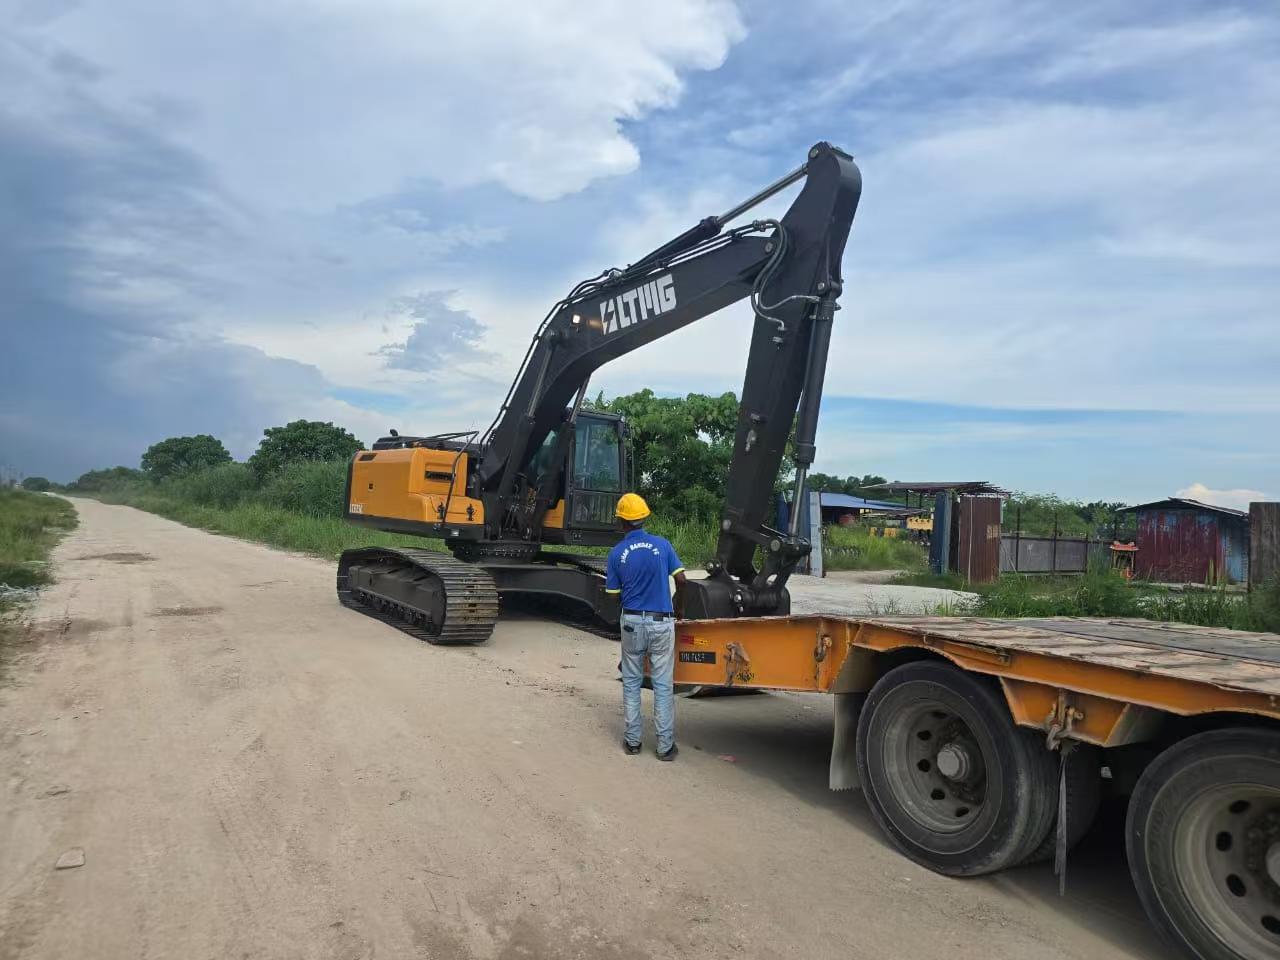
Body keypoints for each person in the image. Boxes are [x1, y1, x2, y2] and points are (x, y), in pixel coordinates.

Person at [605, 493, 687, 760]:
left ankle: (633, 743)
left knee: (631, 681)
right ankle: (664, 747)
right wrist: (677, 605)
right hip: (662, 621)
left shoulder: (617, 553)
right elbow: (683, 580)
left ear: (621, 522)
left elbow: (612, 594)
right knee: (663, 684)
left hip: (631, 621)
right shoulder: (662, 546)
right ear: (643, 517)